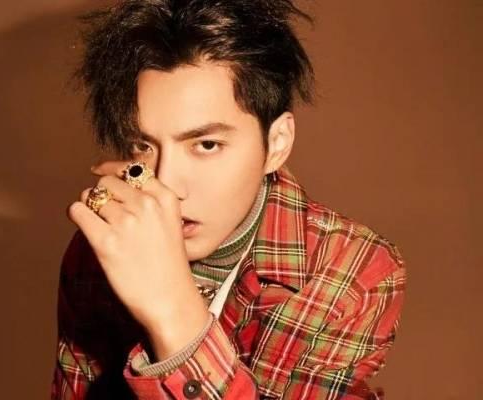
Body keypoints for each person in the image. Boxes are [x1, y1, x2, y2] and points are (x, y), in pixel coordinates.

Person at [50, 1, 406, 399]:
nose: (168, 185)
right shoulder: (104, 246)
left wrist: (172, 310)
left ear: (276, 143)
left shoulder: (351, 271)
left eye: (206, 145)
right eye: (143, 147)